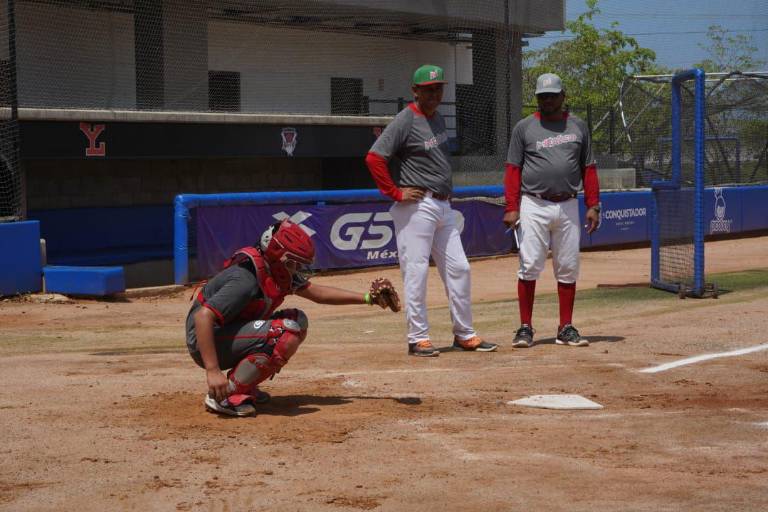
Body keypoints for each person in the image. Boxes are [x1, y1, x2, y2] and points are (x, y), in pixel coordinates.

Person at [185, 219, 400, 417]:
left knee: (298, 320)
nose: (296, 269)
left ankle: (242, 385)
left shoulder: (273, 270)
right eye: (292, 263)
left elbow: (318, 294)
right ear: (276, 254)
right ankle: (223, 396)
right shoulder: (246, 279)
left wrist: (369, 299)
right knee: (283, 332)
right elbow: (203, 317)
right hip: (204, 341)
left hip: (225, 333)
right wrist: (213, 371)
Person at [365, 64, 497, 357]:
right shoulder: (405, 119)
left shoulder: (438, 118)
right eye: (429, 89)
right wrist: (395, 192)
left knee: (460, 268)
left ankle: (464, 334)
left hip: (443, 204)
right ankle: (418, 338)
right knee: (416, 272)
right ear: (415, 91)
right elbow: (374, 157)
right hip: (417, 205)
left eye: (438, 88)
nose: (435, 94)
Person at [502, 72, 601, 348]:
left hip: (568, 203)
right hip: (534, 203)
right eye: (542, 96)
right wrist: (511, 207)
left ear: (562, 96)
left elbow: (589, 168)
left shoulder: (578, 126)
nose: (547, 100)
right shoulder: (524, 128)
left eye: (552, 95)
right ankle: (525, 327)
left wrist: (593, 204)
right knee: (529, 264)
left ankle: (565, 327)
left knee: (568, 267)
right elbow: (513, 170)